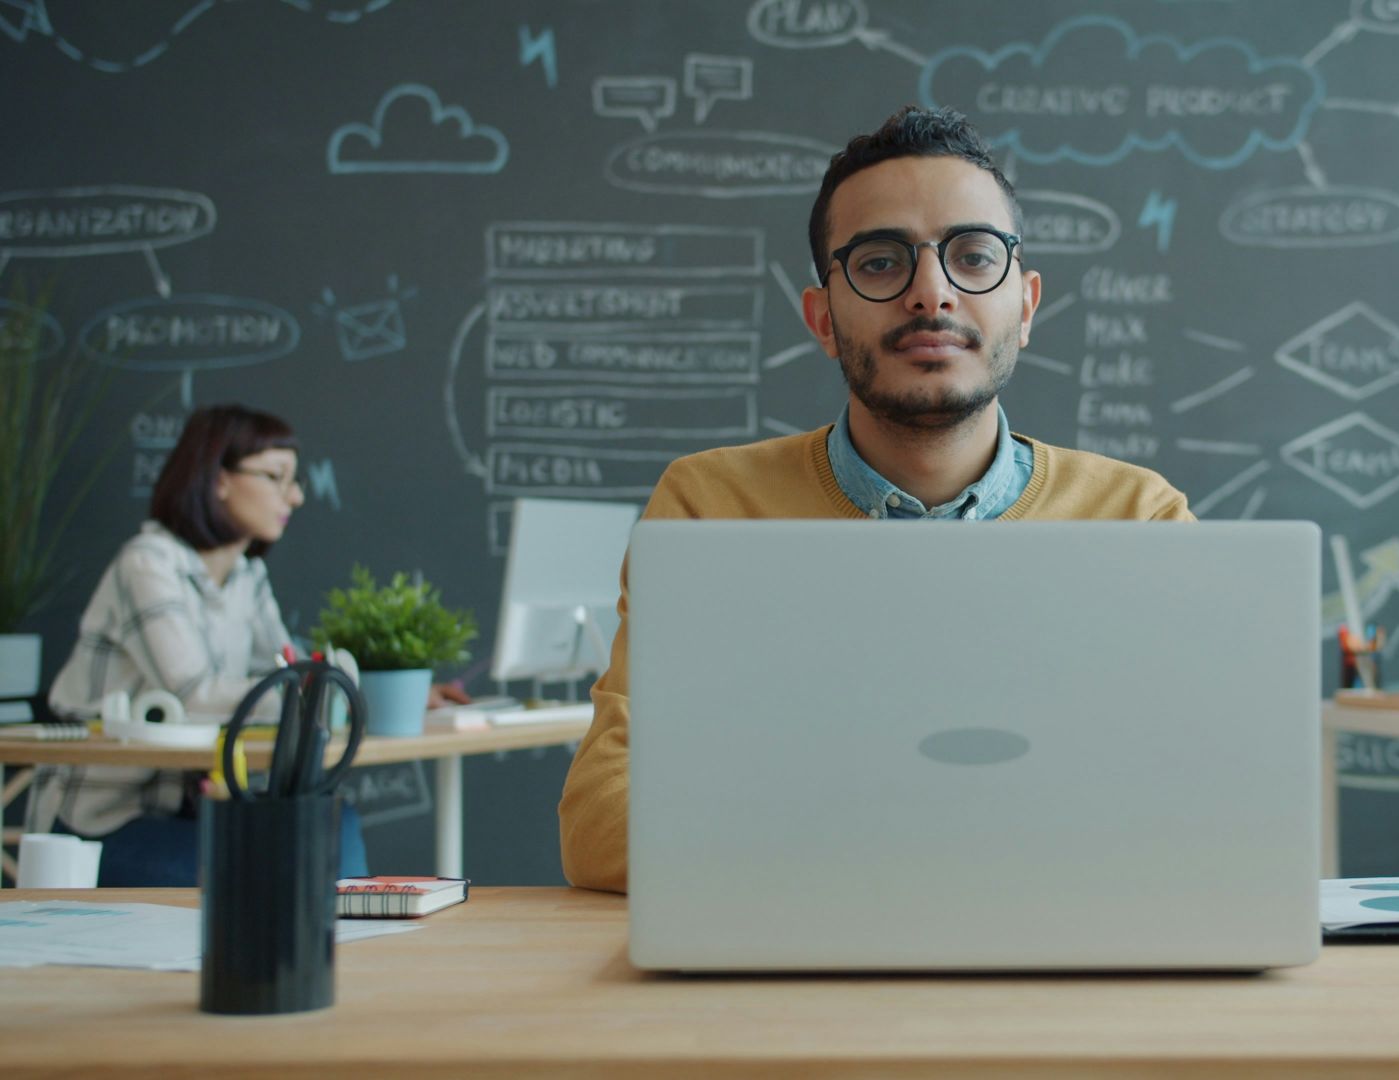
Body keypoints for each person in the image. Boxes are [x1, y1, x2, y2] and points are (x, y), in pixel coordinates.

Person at [558, 105, 1195, 893]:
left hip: (1060, 981)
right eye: (882, 262)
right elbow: (602, 820)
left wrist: (806, 831)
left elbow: (1207, 805)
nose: (931, 295)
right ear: (823, 318)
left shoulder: (1142, 521)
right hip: (790, 985)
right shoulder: (710, 507)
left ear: (1025, 307)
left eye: (972, 255)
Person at [38, 405, 462, 886]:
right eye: (276, 477)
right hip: (100, 830)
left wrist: (366, 692)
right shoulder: (148, 564)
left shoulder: (247, 577)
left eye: (294, 480)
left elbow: (290, 670)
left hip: (196, 812)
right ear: (218, 478)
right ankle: (338, 951)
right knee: (300, 856)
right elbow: (195, 693)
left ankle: (343, 951)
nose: (296, 495)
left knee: (332, 824)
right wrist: (324, 692)